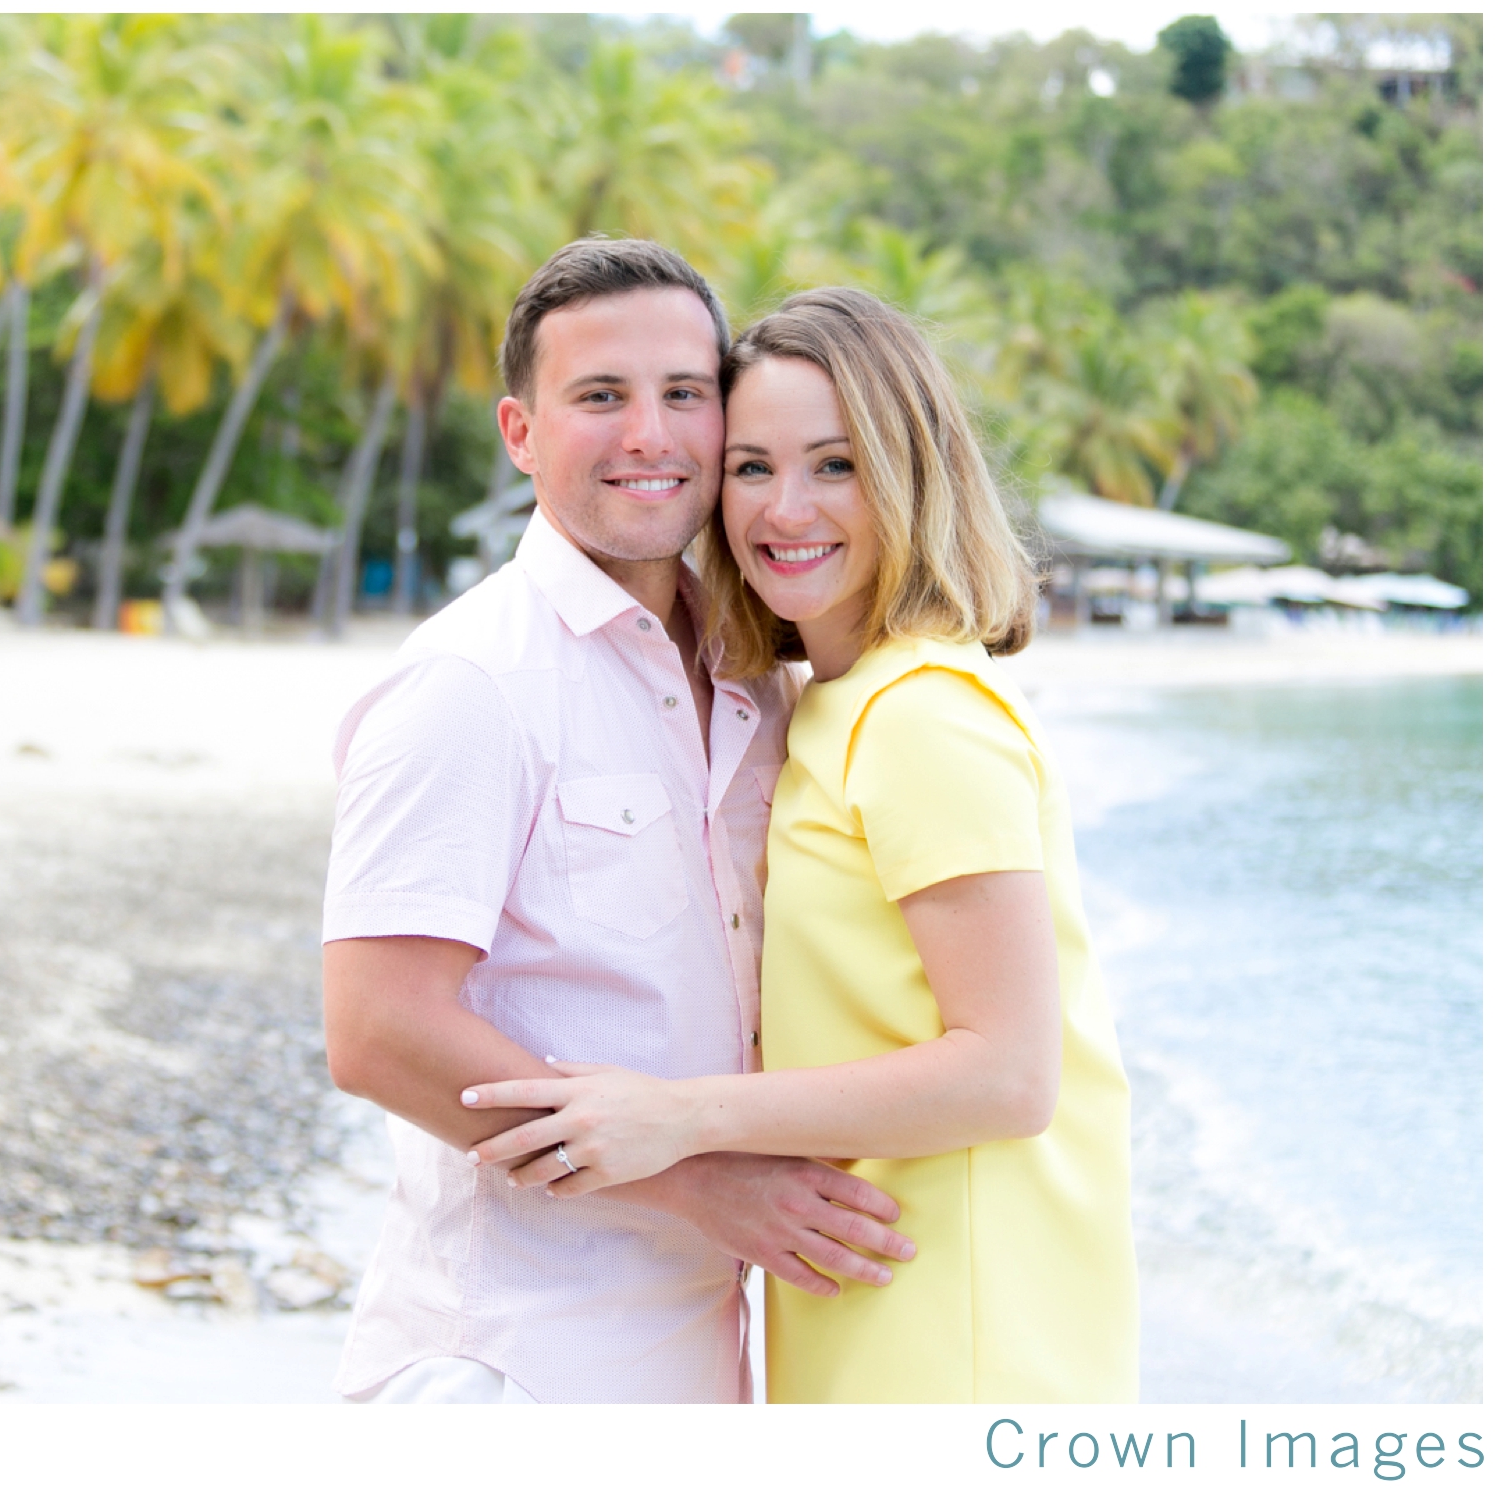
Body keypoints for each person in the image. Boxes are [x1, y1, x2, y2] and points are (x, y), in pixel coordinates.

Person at [462, 286, 1138, 1404]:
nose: (786, 509)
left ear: (909, 472)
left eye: (836, 466)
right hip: (862, 1281)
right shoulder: (818, 703)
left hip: (961, 1322)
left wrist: (679, 1120)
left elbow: (1012, 1073)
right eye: (751, 467)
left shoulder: (922, 715)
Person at [321, 242, 916, 1405]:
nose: (650, 433)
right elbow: (379, 1028)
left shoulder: (754, 679)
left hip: (695, 1359)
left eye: (683, 394)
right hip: (508, 1370)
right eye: (601, 396)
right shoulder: (471, 679)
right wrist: (700, 1183)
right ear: (520, 431)